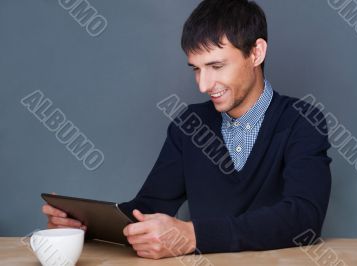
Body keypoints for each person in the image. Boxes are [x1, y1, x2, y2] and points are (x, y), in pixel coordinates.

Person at [42, 0, 331, 259]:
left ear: (256, 53)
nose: (204, 85)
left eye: (216, 66)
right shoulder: (190, 125)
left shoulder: (302, 121)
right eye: (196, 68)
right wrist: (83, 225)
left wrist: (194, 236)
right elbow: (147, 210)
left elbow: (304, 218)